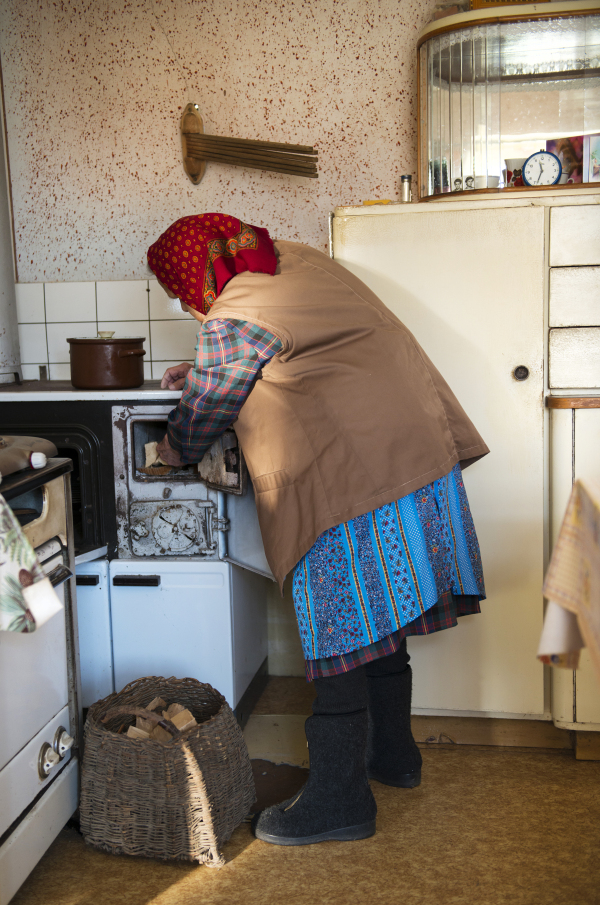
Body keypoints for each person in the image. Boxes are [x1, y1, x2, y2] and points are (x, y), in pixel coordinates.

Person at [147, 212, 488, 847]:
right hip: (415, 456)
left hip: (352, 473)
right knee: (385, 619)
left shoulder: (234, 313)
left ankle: (339, 799)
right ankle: (394, 757)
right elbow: (297, 350)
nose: (184, 302)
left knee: (340, 630)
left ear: (191, 274)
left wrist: (171, 449)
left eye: (177, 289)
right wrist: (203, 369)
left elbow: (207, 411)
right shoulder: (294, 259)